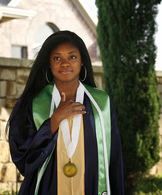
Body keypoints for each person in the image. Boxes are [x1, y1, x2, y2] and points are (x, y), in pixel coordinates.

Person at [8, 30, 124, 195]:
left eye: (72, 57)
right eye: (57, 58)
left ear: (82, 61)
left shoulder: (101, 103)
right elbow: (23, 158)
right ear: (49, 63)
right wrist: (54, 121)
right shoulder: (32, 103)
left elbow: (114, 158)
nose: (65, 63)